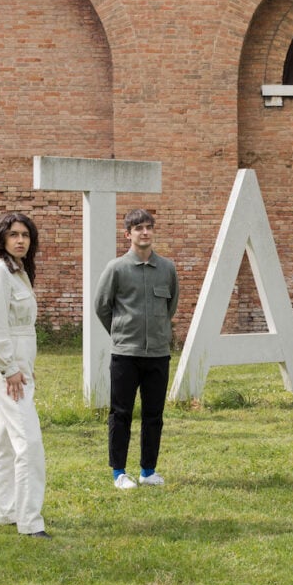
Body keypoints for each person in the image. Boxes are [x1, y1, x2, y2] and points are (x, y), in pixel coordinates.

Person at [94, 208, 179, 490]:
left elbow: (171, 306)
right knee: (121, 413)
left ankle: (148, 471)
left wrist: (158, 333)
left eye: (149, 227)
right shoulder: (116, 268)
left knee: (154, 415)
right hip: (125, 355)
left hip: (157, 353)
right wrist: (121, 333)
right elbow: (102, 307)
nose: (145, 232)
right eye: (138, 228)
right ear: (127, 233)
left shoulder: (167, 268)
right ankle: (119, 472)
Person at [0, 212, 49, 538]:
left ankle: (6, 512)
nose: (20, 240)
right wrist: (10, 369)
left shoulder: (19, 273)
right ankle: (30, 522)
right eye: (14, 234)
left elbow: (22, 330)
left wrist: (23, 367)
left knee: (7, 442)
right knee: (29, 442)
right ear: (2, 238)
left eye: (26, 235)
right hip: (8, 370)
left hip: (20, 367)